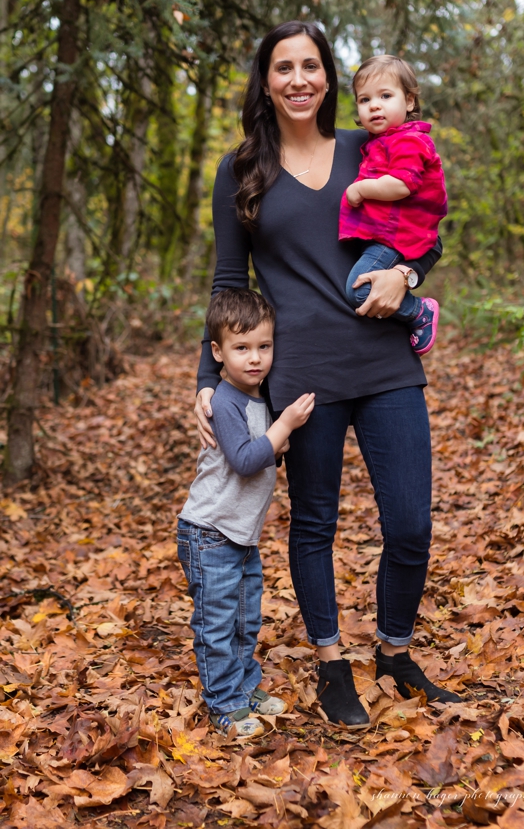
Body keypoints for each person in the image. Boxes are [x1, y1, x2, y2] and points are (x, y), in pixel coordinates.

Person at [194, 21, 463, 727]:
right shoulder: (243, 169)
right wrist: (206, 375)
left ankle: (396, 653)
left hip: (385, 360)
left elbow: (428, 226)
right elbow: (229, 279)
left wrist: (406, 274)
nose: (299, 80)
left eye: (311, 65)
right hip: (303, 375)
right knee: (314, 524)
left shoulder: (365, 148)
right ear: (266, 80)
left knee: (409, 525)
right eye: (283, 67)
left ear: (328, 76)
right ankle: (330, 664)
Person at [178, 288, 316, 739]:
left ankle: (244, 686)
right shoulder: (224, 400)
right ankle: (224, 704)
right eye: (241, 348)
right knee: (217, 624)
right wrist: (283, 428)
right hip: (210, 532)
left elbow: (261, 453)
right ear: (218, 352)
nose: (254, 358)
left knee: (245, 619)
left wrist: (276, 441)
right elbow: (242, 459)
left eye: (263, 346)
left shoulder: (255, 398)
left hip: (239, 535)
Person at [340, 55, 445, 355]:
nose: (374, 105)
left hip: (397, 238)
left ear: (409, 101)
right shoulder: (383, 141)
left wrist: (361, 189)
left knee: (358, 291)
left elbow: (402, 184)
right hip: (389, 235)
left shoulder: (409, 141)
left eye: (385, 96)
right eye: (365, 99)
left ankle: (419, 312)